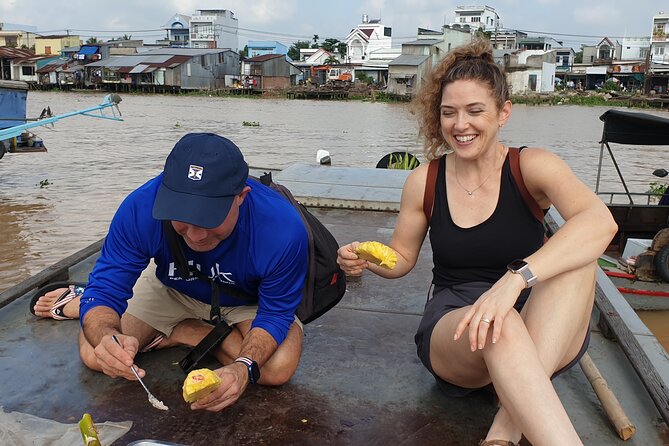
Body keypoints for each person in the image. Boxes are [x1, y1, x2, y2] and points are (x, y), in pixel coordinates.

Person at [337, 40, 617, 446]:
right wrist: (363, 257)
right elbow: (400, 258)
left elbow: (600, 222)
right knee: (498, 325)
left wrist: (514, 281)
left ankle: (505, 426)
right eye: (448, 113)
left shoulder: (532, 166)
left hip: (539, 322)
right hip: (458, 324)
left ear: (503, 112)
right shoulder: (425, 180)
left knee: (579, 259)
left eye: (474, 111)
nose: (460, 125)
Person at [32, 133, 308, 412]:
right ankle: (176, 328)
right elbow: (106, 289)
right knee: (96, 354)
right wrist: (106, 335)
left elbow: (275, 313)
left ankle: (188, 331)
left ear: (240, 196)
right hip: (173, 287)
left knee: (274, 370)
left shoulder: (282, 228)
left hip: (246, 299)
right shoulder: (140, 207)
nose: (196, 236)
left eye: (209, 218)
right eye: (182, 216)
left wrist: (243, 368)